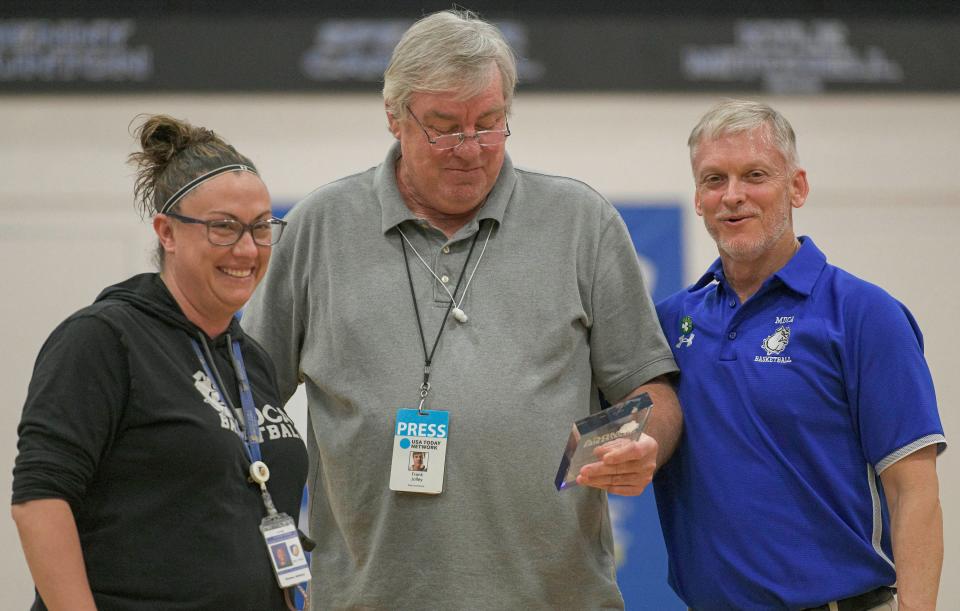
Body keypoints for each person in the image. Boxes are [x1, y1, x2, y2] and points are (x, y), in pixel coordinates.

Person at [241, 8, 681, 609]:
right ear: (394, 118)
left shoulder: (581, 222)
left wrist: (644, 443)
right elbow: (247, 398)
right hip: (368, 597)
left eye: (489, 123)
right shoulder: (321, 227)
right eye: (444, 127)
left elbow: (650, 392)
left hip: (555, 597)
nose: (468, 149)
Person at [654, 99, 945, 610]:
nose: (733, 196)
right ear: (698, 198)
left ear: (797, 187)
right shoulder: (670, 322)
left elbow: (913, 493)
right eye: (714, 179)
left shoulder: (864, 315)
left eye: (755, 174)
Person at [11, 115, 309, 611]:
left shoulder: (249, 359)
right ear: (167, 232)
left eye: (261, 228)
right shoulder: (104, 339)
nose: (246, 249)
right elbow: (39, 502)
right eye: (223, 228)